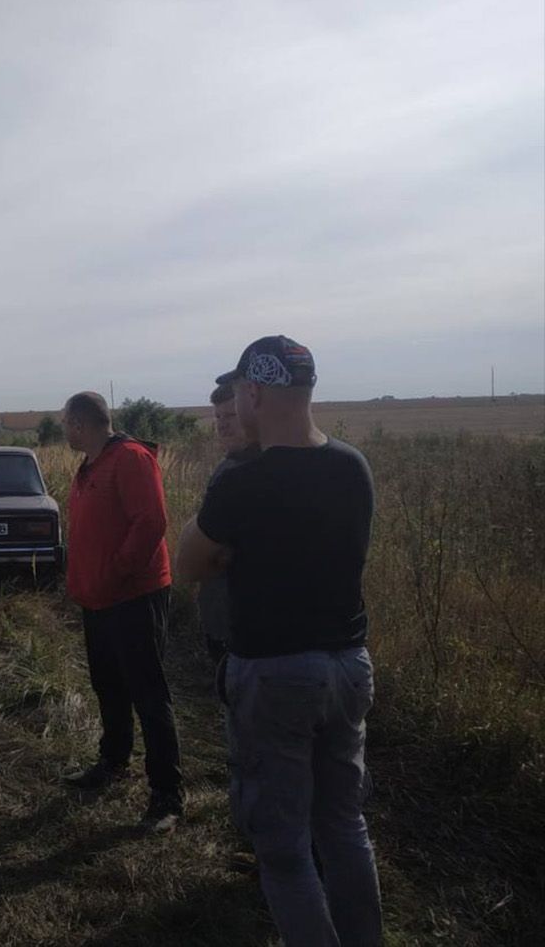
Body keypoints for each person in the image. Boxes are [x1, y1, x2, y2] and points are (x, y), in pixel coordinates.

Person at [176, 336, 382, 947]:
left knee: (285, 848)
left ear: (253, 393)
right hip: (349, 665)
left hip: (275, 673)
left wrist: (224, 546)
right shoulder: (353, 465)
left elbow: (189, 563)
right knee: (345, 824)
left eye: (236, 395)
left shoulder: (244, 480)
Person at [58, 390, 183, 833]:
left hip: (133, 597)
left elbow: (151, 522)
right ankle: (113, 761)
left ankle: (167, 794)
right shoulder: (91, 464)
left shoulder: (130, 458)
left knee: (148, 694)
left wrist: (114, 574)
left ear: (80, 423)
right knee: (108, 686)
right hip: (98, 599)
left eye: (66, 422)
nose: (64, 429)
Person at [199, 382, 261, 674]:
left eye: (230, 416)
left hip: (245, 625)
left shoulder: (256, 467)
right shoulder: (229, 465)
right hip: (221, 613)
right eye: (218, 418)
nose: (222, 425)